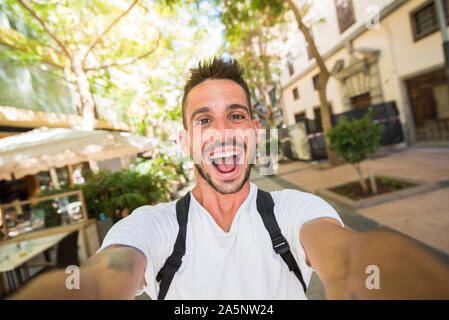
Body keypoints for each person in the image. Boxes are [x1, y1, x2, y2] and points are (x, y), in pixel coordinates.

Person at [11, 57, 449, 300]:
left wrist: (390, 273)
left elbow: (349, 256)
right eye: (205, 120)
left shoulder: (294, 210)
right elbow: (101, 279)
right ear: (185, 140)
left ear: (255, 134)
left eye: (235, 116)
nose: (222, 133)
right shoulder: (155, 225)